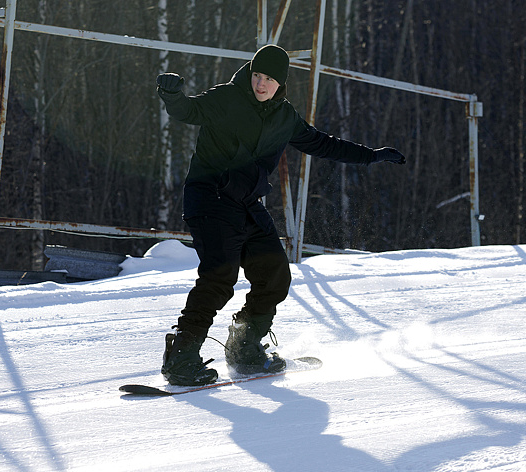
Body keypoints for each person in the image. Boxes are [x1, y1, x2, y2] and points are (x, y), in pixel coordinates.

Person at [156, 44, 405, 386]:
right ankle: (181, 356)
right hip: (210, 199)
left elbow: (322, 143)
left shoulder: (284, 117)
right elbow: (190, 110)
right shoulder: (226, 98)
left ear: (281, 83)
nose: (260, 84)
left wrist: (370, 156)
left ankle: (244, 344)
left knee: (275, 274)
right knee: (219, 276)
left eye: (269, 79)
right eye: (257, 75)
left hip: (246, 205)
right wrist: (172, 95)